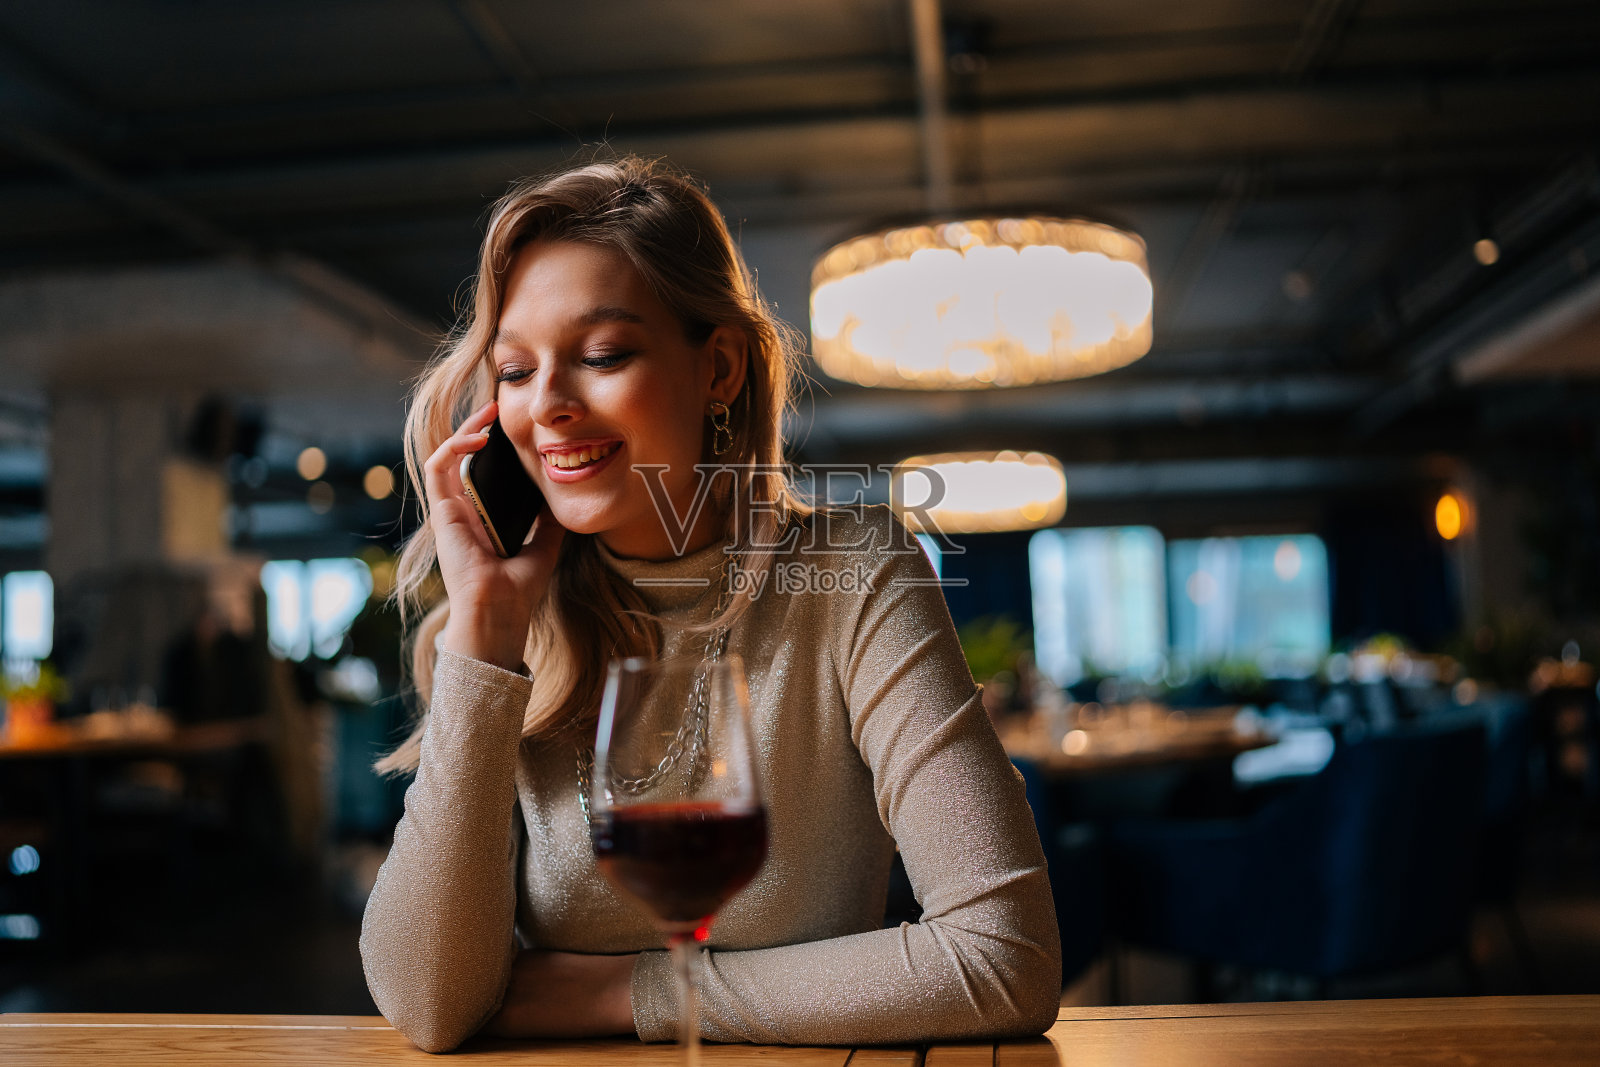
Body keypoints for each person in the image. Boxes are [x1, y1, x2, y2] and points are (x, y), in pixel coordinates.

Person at [359, 156, 1061, 1053]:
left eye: (603, 355)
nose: (547, 409)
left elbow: (1005, 956)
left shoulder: (856, 572)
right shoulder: (502, 619)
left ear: (719, 366)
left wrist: (623, 993)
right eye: (514, 371)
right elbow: (427, 1004)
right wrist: (488, 631)